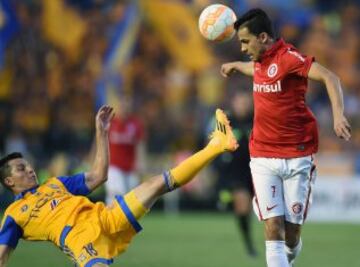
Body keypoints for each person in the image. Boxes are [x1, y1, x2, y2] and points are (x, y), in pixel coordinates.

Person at [0, 105, 238, 267]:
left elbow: (98, 176)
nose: (30, 169)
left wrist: (102, 133)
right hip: (82, 241)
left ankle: (217, 144)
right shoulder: (12, 215)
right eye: (21, 169)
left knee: (156, 184)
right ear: (9, 181)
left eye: (28, 165)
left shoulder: (55, 183)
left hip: (107, 216)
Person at [220, 8, 351, 267]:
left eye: (246, 41)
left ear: (264, 37)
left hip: (297, 155)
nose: (243, 48)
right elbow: (257, 69)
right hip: (262, 156)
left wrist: (338, 116)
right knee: (273, 226)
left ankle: (290, 251)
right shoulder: (259, 60)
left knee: (291, 235)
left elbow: (330, 77)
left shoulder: (289, 59)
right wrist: (237, 66)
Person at [212, 91, 257, 257]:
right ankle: (224, 196)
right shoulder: (226, 121)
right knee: (243, 201)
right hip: (231, 171)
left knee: (246, 211)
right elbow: (213, 143)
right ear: (234, 103)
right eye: (240, 102)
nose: (243, 105)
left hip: (252, 170)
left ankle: (226, 201)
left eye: (245, 102)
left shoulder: (255, 120)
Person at [105, 96, 146, 205]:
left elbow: (140, 145)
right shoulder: (110, 122)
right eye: (122, 106)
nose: (124, 108)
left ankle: (126, 221)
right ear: (118, 107)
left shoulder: (136, 124)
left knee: (131, 199)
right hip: (113, 166)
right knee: (117, 194)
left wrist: (140, 163)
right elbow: (98, 142)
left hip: (130, 167)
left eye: (127, 106)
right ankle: (109, 219)